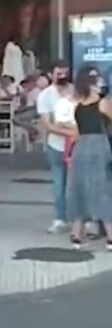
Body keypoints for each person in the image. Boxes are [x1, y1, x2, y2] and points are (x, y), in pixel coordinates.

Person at [64, 66, 112, 250]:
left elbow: (76, 132)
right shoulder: (103, 103)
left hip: (80, 148)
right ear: (92, 84)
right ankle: (110, 237)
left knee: (78, 189)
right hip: (99, 147)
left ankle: (76, 235)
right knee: (102, 190)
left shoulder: (79, 105)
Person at [36, 60, 74, 234]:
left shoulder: (76, 91)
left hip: (77, 145)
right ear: (51, 75)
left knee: (78, 183)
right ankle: (60, 218)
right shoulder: (45, 96)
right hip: (56, 145)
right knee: (59, 183)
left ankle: (81, 218)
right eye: (59, 73)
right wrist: (69, 132)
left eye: (65, 72)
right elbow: (47, 123)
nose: (63, 76)